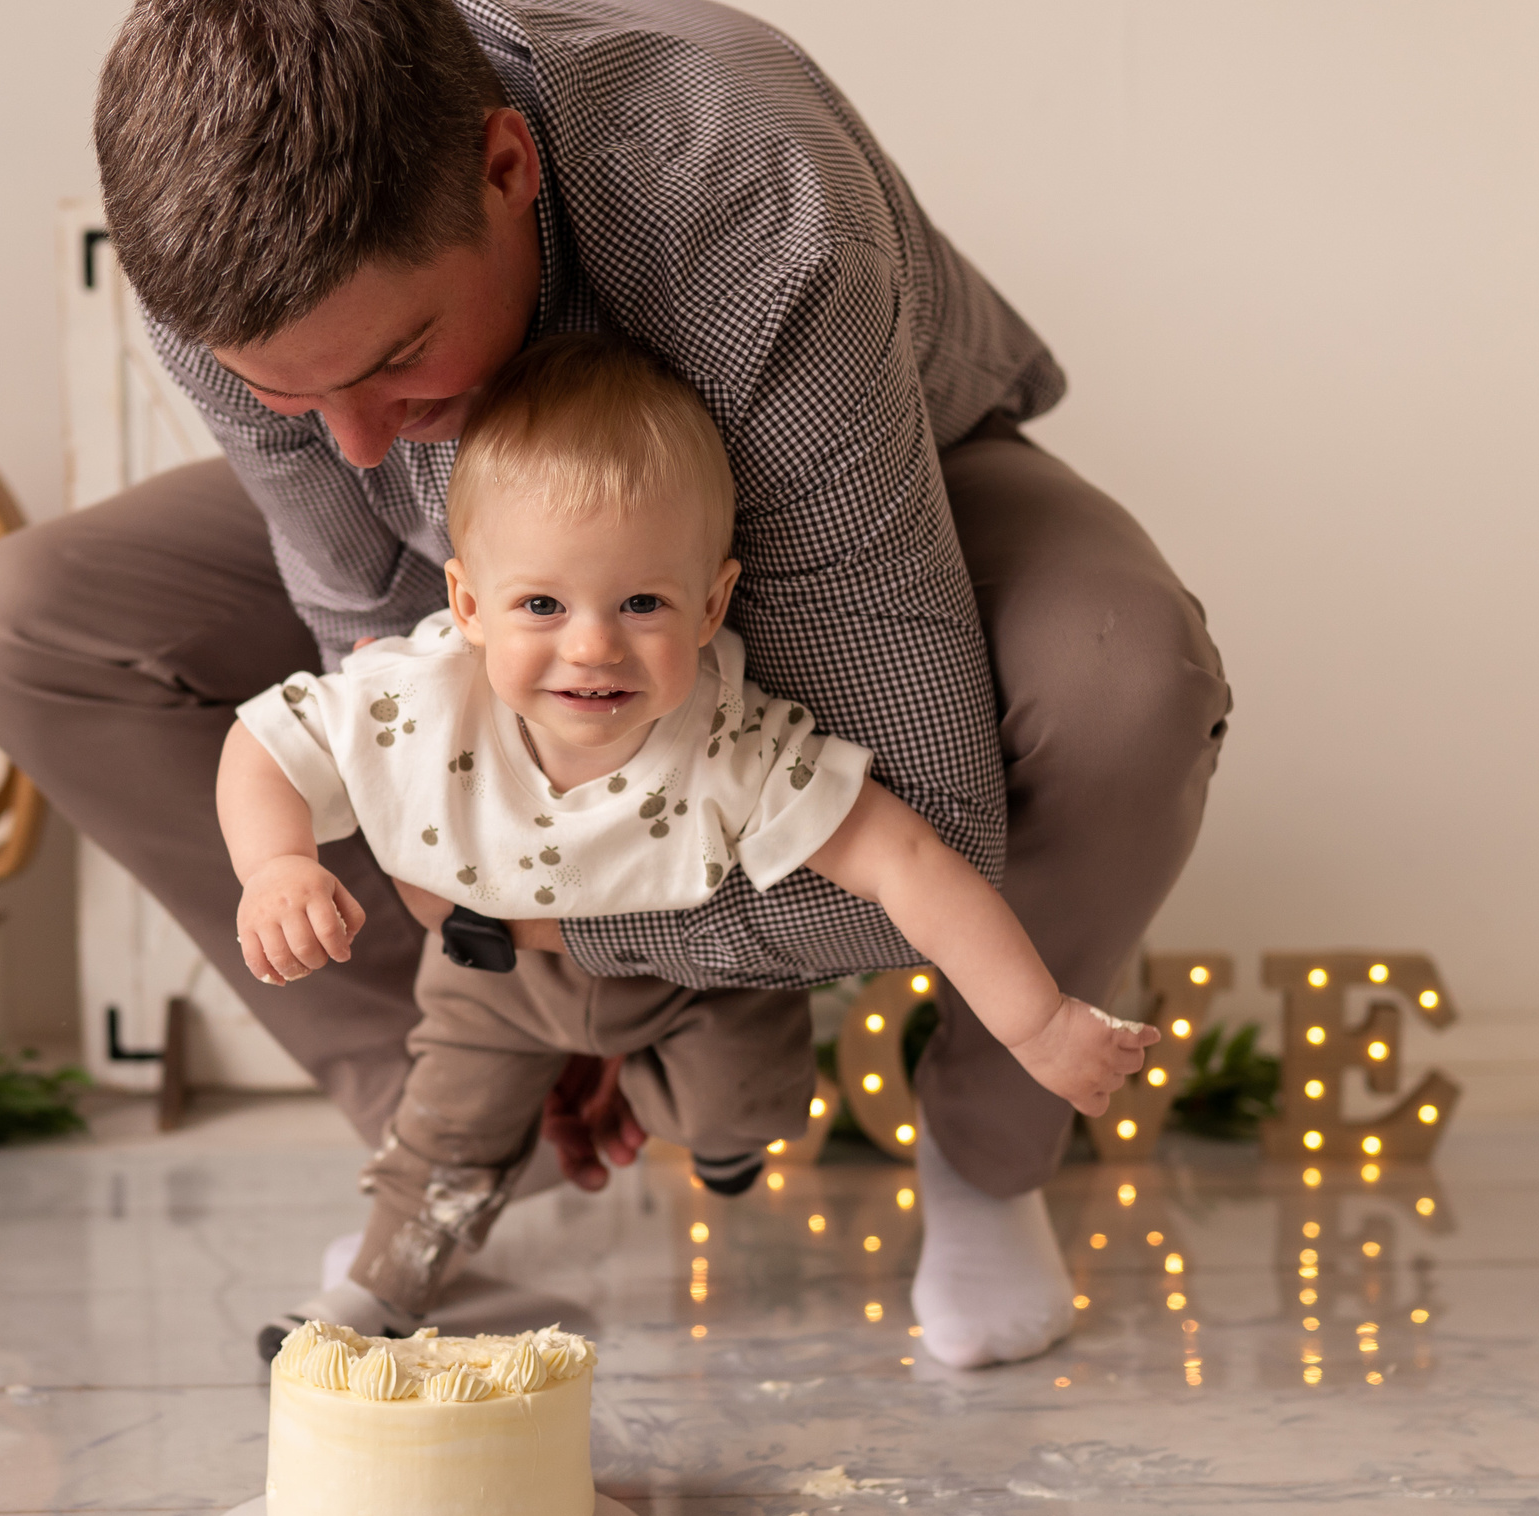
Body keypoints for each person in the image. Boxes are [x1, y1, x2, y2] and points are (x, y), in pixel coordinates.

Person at [0, 0, 1230, 1368]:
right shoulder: (231, 277)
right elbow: (365, 624)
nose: (355, 442)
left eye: (389, 355)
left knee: (1124, 681)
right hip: (497, 560)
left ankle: (985, 1142)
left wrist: (549, 922)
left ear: (506, 168)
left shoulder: (739, 191)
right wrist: (503, 938)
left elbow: (925, 813)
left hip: (855, 478)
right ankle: (453, 1114)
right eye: (291, 395)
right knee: (22, 620)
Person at [221, 334, 1153, 1337]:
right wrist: (277, 865)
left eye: (642, 603)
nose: (591, 646)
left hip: (688, 987)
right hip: (490, 977)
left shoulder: (728, 738)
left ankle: (708, 1136)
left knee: (742, 1107)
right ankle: (381, 1288)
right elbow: (268, 742)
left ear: (709, 605)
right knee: (442, 1134)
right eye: (541, 604)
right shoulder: (416, 698)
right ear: (468, 605)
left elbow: (907, 860)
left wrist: (1038, 1023)